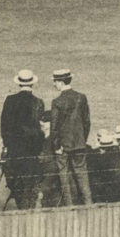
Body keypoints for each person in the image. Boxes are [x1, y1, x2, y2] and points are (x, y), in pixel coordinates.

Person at [0, 69, 46, 209]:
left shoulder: (10, 100)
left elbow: (4, 126)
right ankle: (28, 207)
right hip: (32, 150)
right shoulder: (38, 102)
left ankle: (20, 206)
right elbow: (38, 129)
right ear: (33, 84)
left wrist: (7, 144)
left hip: (15, 149)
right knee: (30, 184)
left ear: (19, 84)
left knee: (16, 183)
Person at [47, 68, 93, 206]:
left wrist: (56, 146)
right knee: (82, 174)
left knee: (64, 176)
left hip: (63, 146)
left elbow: (54, 126)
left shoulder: (57, 101)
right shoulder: (81, 97)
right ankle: (89, 203)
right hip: (79, 142)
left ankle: (70, 205)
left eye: (55, 81)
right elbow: (87, 121)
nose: (54, 84)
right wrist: (82, 139)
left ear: (60, 82)